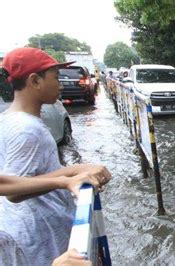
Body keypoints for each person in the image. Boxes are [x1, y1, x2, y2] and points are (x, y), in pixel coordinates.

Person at [0, 47, 112, 265]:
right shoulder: (27, 129)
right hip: (38, 239)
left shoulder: (10, 119)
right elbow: (11, 190)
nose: (60, 83)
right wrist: (66, 181)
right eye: (55, 77)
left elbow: (33, 175)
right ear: (35, 81)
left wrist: (75, 170)